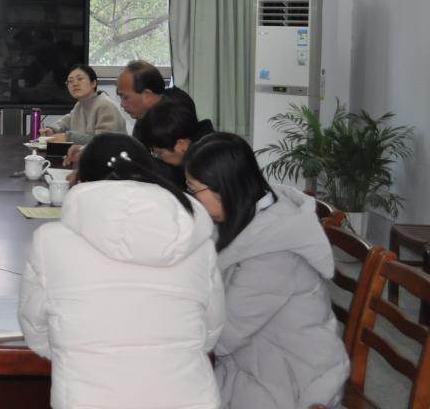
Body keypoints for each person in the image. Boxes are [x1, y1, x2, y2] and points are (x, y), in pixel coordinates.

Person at [19, 132, 224, 409]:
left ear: (80, 181)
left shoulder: (50, 242)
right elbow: (210, 331)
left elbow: (36, 331)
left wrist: (77, 353)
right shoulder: (198, 243)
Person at [183, 133, 349, 409]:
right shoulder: (248, 212)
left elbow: (224, 337)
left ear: (225, 188)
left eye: (193, 188)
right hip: (256, 354)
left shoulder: (274, 255)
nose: (192, 199)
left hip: (289, 375)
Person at [136, 97, 215, 187]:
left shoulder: (208, 173)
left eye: (159, 153)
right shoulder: (208, 151)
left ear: (181, 145)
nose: (158, 158)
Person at [39, 64, 125, 145]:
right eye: (70, 81)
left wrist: (68, 137)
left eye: (80, 79)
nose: (75, 84)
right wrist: (51, 130)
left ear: (93, 83)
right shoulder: (80, 105)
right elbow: (66, 121)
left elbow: (103, 142)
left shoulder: (105, 105)